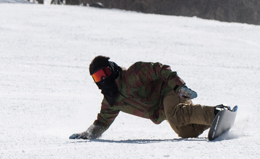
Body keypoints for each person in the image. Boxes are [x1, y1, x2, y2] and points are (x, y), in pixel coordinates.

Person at [69, 55, 232, 140]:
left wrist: (179, 86)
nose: (102, 79)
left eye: (103, 73)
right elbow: (102, 123)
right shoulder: (111, 101)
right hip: (164, 109)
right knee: (185, 131)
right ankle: (215, 122)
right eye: (97, 78)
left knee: (175, 115)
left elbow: (160, 69)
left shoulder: (132, 75)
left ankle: (216, 113)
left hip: (169, 91)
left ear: (111, 69)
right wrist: (87, 134)